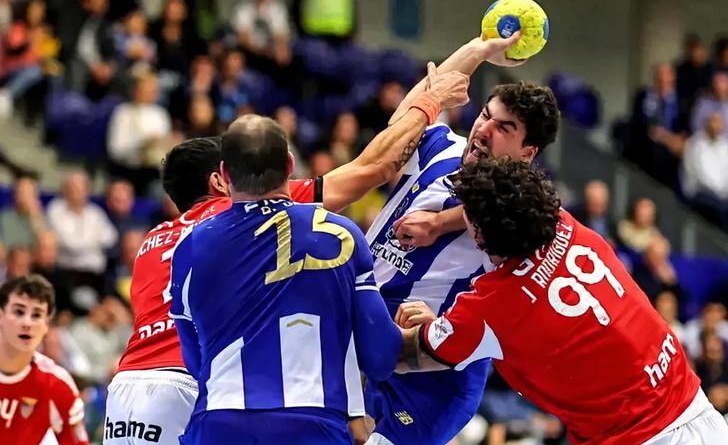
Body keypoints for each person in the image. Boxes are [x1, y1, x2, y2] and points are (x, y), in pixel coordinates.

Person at [105, 59, 470, 444]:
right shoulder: (257, 211)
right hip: (207, 391)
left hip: (129, 387)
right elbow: (376, 166)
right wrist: (432, 102)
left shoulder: (155, 242)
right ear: (223, 180)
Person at [395, 158, 728, 444]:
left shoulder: (489, 307)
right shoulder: (567, 225)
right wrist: (440, 222)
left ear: (482, 233)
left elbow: (404, 356)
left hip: (639, 436)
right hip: (701, 415)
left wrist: (430, 325)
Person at [363, 35, 557, 445]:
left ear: (528, 152)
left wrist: (439, 222)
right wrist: (478, 50)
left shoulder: (519, 216)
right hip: (359, 339)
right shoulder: (443, 149)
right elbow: (402, 123)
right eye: (484, 116)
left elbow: (494, 204)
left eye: (504, 128)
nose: (483, 131)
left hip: (429, 378)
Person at [168, 116, 401, 443]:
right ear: (291, 164)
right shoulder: (340, 234)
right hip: (312, 425)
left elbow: (194, 361)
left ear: (224, 174)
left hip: (220, 423)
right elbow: (381, 358)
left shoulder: (191, 245)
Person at [0, 274, 89, 445]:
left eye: (37, 315)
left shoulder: (56, 385)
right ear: (1, 316)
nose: (27, 323)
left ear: (46, 325)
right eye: (19, 311)